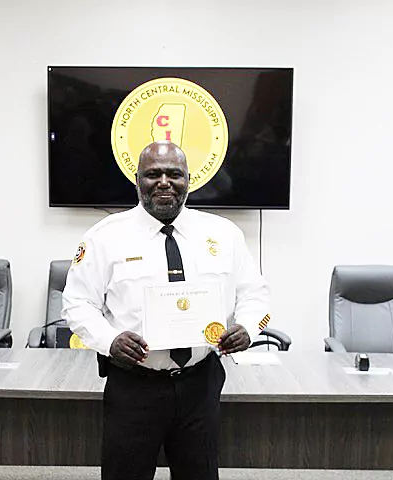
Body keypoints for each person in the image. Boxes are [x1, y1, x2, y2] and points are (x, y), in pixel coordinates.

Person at [62, 141, 270, 480]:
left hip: (200, 383)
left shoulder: (223, 234)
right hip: (134, 386)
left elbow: (255, 293)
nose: (164, 182)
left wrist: (247, 327)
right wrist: (110, 340)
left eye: (174, 174)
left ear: (188, 179)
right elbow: (77, 303)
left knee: (199, 474)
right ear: (137, 181)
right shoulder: (105, 237)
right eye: (153, 174)